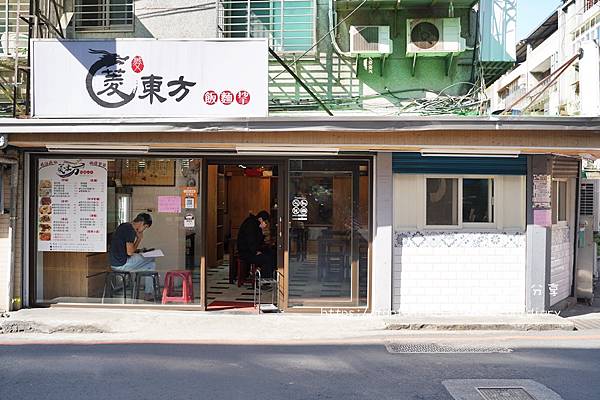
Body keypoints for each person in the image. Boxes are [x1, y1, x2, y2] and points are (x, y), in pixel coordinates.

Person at [109, 213, 156, 300]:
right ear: (142, 223)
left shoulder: (124, 226)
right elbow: (130, 252)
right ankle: (148, 294)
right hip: (122, 263)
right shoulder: (130, 230)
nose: (143, 230)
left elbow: (125, 249)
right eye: (145, 227)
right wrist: (139, 239)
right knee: (151, 258)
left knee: (150, 265)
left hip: (114, 263)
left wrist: (138, 251)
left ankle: (147, 293)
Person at [237, 210, 276, 280]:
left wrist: (263, 232)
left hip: (250, 251)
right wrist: (255, 252)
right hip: (246, 253)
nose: (266, 224)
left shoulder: (255, 224)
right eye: (266, 222)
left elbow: (257, 241)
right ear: (260, 219)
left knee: (271, 253)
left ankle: (270, 277)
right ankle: (264, 280)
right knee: (267, 258)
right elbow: (250, 241)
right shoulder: (251, 225)